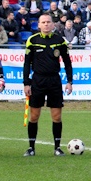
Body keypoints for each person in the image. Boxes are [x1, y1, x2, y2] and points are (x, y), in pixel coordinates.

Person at [22, 15, 73, 156]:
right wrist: (26, 83)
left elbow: (67, 62)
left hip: (54, 81)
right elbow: (27, 64)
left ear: (53, 25)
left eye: (48, 22)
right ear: (39, 25)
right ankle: (31, 147)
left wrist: (70, 81)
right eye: (43, 22)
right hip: (37, 80)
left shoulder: (59, 40)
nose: (46, 25)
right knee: (34, 116)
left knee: (56, 116)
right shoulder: (32, 41)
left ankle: (57, 147)